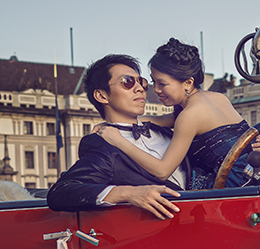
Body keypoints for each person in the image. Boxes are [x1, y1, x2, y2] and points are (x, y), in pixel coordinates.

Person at [94, 38, 260, 190]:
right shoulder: (217, 98)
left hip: (232, 185)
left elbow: (162, 171)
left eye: (163, 84)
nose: (156, 89)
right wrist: (118, 123)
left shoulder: (189, 116)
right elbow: (165, 120)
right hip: (255, 172)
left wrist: (118, 140)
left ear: (188, 82)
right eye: (153, 82)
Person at [47, 54, 185, 220]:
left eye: (141, 82)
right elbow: (60, 192)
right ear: (102, 96)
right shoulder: (103, 146)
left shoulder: (169, 130)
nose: (140, 88)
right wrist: (127, 193)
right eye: (127, 81)